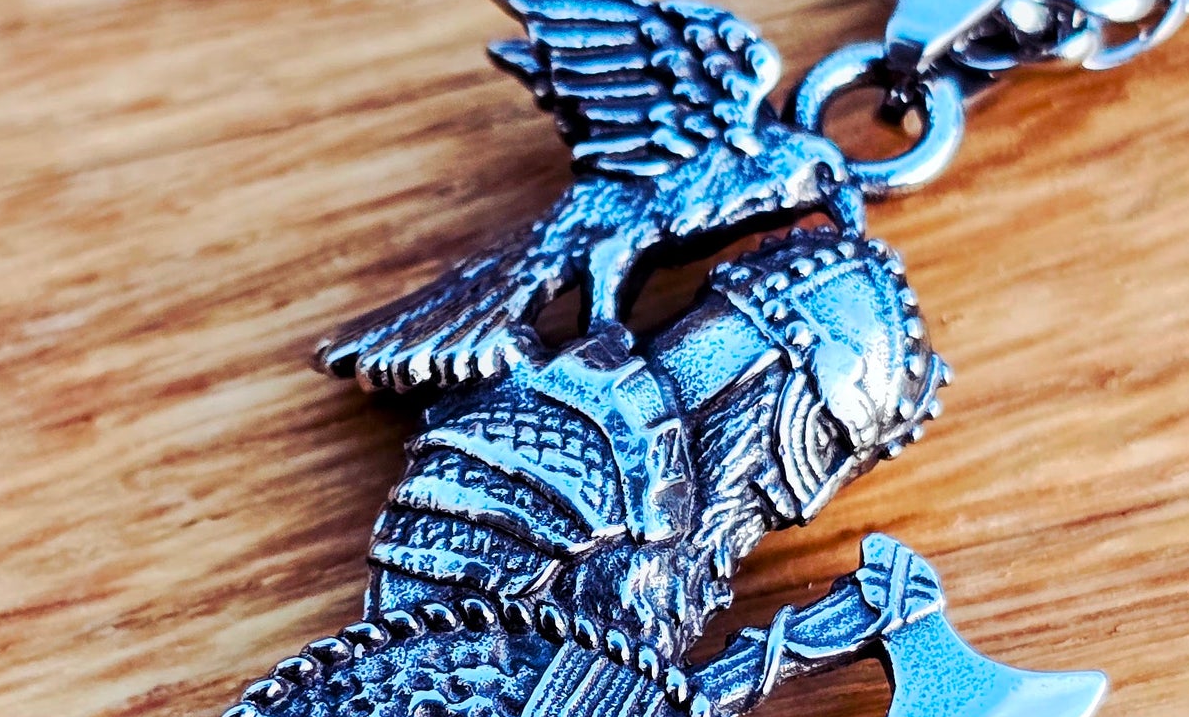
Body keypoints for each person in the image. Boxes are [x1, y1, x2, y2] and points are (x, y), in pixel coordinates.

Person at [366, 225, 945, 662]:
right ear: (774, 405)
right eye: (823, 447)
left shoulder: (645, 495)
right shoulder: (630, 498)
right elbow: (574, 701)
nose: (801, 510)